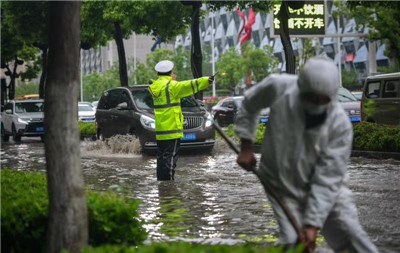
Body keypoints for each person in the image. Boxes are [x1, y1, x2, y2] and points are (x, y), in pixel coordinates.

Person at [235, 57, 378, 252]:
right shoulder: (279, 87)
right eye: (311, 97)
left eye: (323, 99)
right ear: (300, 87)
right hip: (279, 183)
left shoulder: (340, 126)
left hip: (327, 188)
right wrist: (246, 146)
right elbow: (250, 104)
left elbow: (327, 177)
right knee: (293, 242)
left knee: (350, 234)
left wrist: (312, 224)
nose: (317, 103)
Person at [149, 60, 213, 181]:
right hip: (172, 129)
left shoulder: (155, 86)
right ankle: (168, 188)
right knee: (171, 159)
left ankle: (161, 185)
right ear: (169, 73)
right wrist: (207, 80)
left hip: (161, 130)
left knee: (161, 159)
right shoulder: (171, 86)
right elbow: (189, 85)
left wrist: (169, 79)